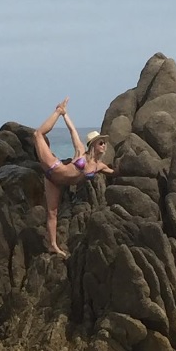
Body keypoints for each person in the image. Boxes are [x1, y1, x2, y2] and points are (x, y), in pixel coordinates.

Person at [33, 97, 116, 256]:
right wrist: (64, 114)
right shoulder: (80, 152)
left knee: (52, 213)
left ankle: (53, 245)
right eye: (100, 143)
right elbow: (73, 131)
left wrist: (129, 168)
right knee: (37, 134)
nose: (104, 145)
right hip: (53, 167)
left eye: (104, 143)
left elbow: (114, 173)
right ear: (93, 145)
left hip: (55, 182)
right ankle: (57, 111)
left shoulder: (100, 166)